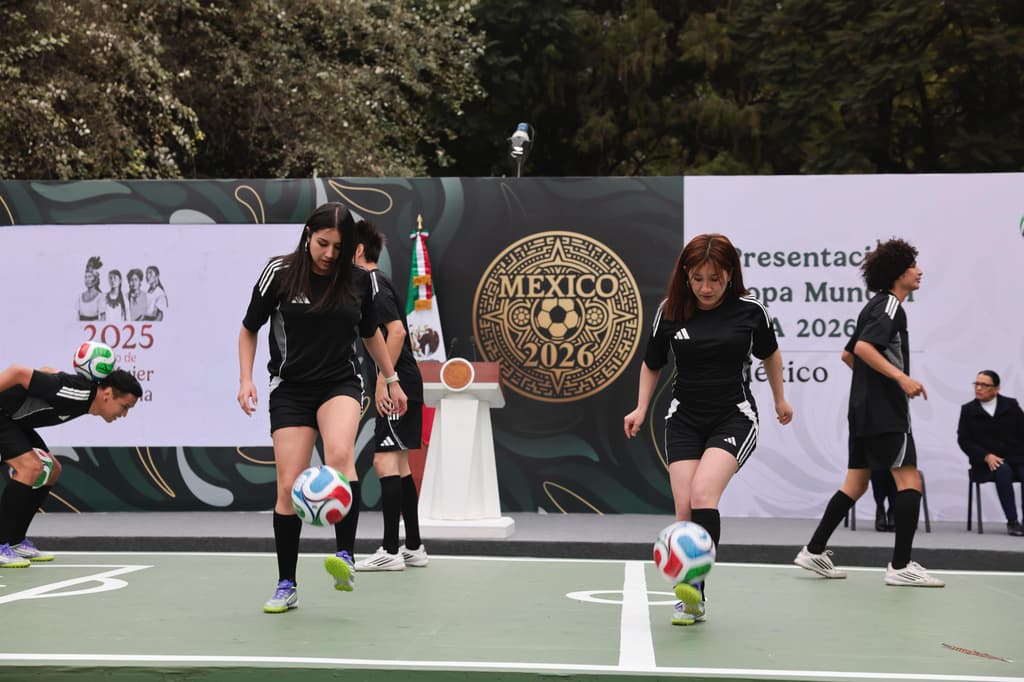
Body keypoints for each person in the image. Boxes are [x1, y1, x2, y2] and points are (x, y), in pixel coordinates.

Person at [237, 202, 408, 614]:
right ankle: (287, 584)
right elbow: (248, 328)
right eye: (323, 244)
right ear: (308, 236)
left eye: (339, 246)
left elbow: (370, 334)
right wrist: (245, 379)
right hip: (291, 389)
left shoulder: (359, 281)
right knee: (286, 485)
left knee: (340, 455)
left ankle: (344, 556)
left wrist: (391, 378)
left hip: (339, 382)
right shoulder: (278, 273)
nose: (330, 253)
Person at [624, 233, 793, 626]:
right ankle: (691, 597)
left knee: (703, 494)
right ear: (686, 274)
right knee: (684, 508)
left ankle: (694, 589)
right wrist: (641, 407)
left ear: (730, 274)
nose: (706, 288)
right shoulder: (670, 311)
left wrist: (779, 399)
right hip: (684, 419)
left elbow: (770, 354)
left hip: (733, 417)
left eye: (715, 279)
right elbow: (652, 362)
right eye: (698, 278)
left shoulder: (751, 311)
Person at [795, 237, 943, 587]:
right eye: (913, 266)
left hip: (862, 411)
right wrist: (900, 378)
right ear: (898, 273)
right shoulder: (890, 306)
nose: (919, 271)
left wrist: (872, 384)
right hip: (886, 412)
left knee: (856, 483)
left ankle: (814, 551)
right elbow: (861, 348)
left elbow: (849, 355)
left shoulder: (873, 306)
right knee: (910, 481)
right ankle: (901, 566)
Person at [0, 364, 142, 566]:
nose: (124, 414)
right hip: (3, 413)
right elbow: (17, 372)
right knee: (30, 467)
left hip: (14, 420)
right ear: (108, 394)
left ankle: (14, 542)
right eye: (125, 406)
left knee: (51, 469)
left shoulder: (84, 396)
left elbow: (47, 370)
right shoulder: (77, 392)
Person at [351, 219, 428, 572]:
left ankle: (390, 550)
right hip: (405, 381)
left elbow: (396, 332)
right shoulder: (376, 281)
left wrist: (385, 380)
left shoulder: (372, 282)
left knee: (384, 463)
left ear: (358, 250)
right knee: (398, 465)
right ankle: (413, 546)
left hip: (399, 384)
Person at [957, 370, 1024, 536]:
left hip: (1015, 458)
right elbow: (964, 440)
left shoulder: (1011, 405)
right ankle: (1012, 521)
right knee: (1003, 470)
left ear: (996, 388)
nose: (978, 388)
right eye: (976, 384)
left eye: (984, 385)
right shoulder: (968, 410)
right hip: (984, 464)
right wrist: (985, 456)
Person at [841, 348, 897, 532]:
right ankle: (880, 508)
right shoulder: (866, 385)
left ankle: (893, 510)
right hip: (870, 427)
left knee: (896, 468)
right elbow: (846, 355)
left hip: (892, 425)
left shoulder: (893, 375)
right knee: (877, 469)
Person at [77, 256, 105, 321]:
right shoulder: (80, 296)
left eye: (89, 277)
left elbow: (103, 319)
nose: (87, 279)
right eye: (85, 277)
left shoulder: (100, 296)